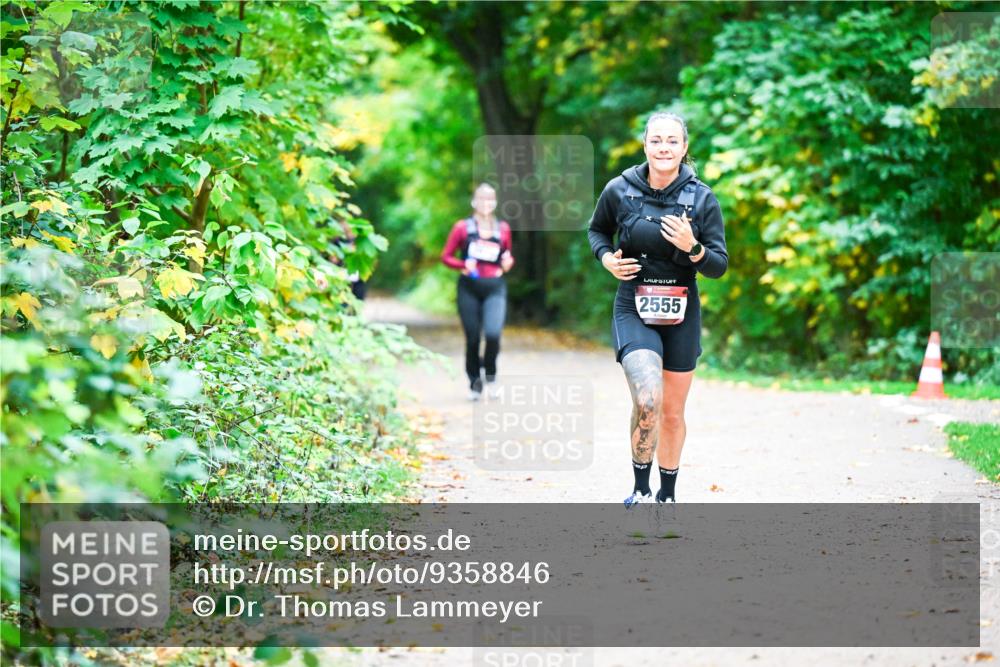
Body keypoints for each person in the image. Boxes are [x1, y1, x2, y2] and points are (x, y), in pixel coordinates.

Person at [587, 111, 728, 513]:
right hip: (634, 303)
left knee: (671, 413)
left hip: (682, 309)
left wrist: (693, 246)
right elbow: (597, 230)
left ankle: (667, 496)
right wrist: (606, 259)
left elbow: (717, 265)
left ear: (684, 148)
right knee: (648, 398)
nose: (663, 147)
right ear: (645, 146)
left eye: (672, 141)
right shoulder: (620, 189)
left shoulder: (702, 198)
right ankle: (641, 490)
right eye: (656, 140)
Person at [440, 183, 515, 400]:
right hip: (469, 288)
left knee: (492, 334)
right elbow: (446, 256)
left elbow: (507, 256)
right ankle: (474, 382)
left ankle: (491, 376)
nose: (485, 203)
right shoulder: (462, 228)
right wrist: (462, 265)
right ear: (474, 201)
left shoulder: (503, 229)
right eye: (481, 198)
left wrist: (508, 262)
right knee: (472, 337)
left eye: (490, 198)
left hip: (494, 287)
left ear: (495, 202)